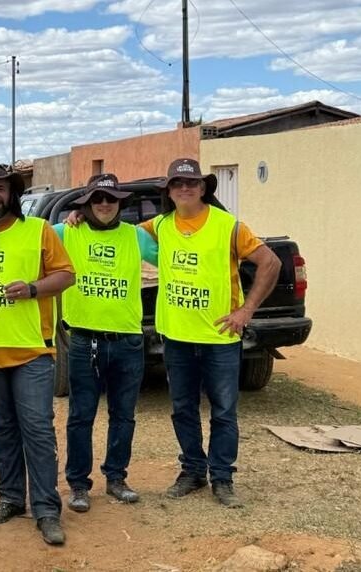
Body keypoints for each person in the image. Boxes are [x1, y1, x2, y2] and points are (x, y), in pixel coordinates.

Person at [143, 158, 279, 508]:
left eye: (192, 182)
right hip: (177, 337)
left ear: (203, 187)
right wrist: (77, 216)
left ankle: (222, 478)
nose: (184, 188)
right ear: (168, 191)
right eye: (177, 183)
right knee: (182, 409)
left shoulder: (228, 226)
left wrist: (246, 310)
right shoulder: (159, 225)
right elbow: (114, 231)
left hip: (220, 339)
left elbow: (271, 262)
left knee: (223, 411)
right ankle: (192, 471)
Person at [0, 163, 75, 546]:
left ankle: (46, 509)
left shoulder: (37, 230)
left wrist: (32, 288)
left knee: (37, 429)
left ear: (12, 194)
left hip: (31, 350)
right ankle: (10, 498)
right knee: (1, 428)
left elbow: (66, 275)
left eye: (0, 189)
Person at [53, 173, 158, 513]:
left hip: (127, 341)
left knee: (123, 415)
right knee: (80, 416)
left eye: (110, 198)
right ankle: (78, 484)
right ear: (86, 203)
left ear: (120, 203)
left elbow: (175, 250)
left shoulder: (135, 236)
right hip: (84, 341)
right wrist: (71, 216)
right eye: (96, 198)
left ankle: (116, 478)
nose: (104, 204)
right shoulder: (67, 232)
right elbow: (32, 239)